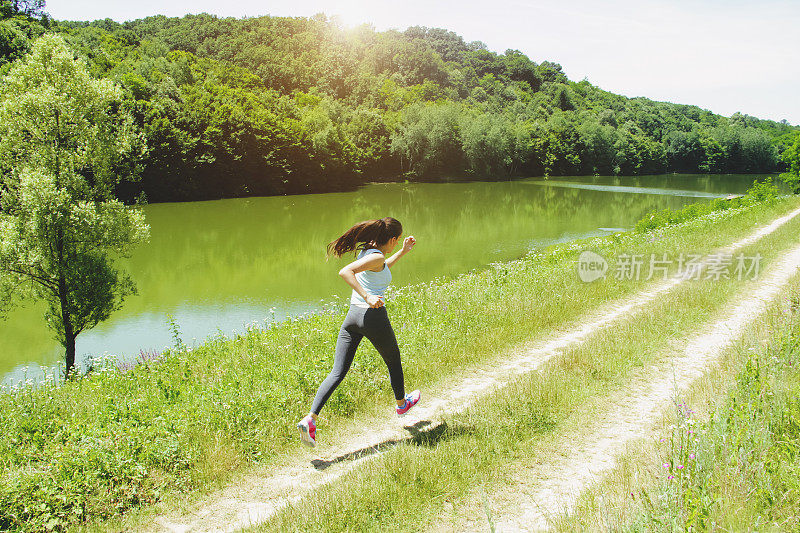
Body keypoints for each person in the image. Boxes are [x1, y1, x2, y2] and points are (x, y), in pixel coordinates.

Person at [297, 217, 421, 447]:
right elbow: (345, 272)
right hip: (372, 316)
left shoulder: (370, 253)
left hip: (352, 318)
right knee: (393, 360)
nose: (397, 245)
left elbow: (381, 269)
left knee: (337, 372)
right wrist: (368, 296)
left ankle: (310, 419)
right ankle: (402, 404)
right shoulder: (377, 256)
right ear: (392, 239)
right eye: (398, 242)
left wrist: (403, 252)